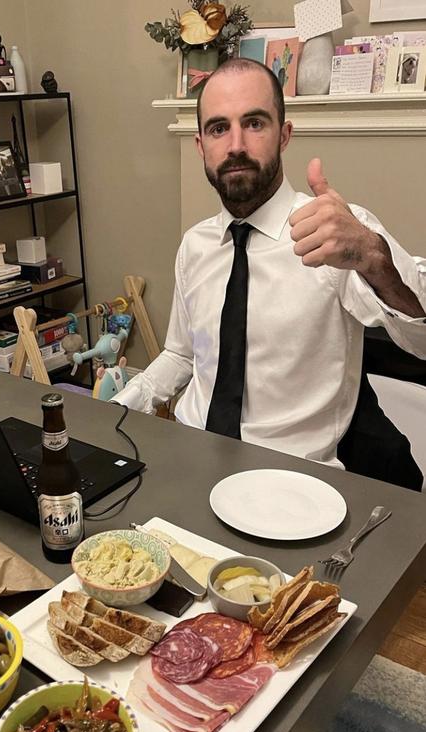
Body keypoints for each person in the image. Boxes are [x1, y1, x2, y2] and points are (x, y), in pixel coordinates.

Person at [114, 58, 426, 488]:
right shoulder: (195, 245)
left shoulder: (339, 235)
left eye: (255, 123)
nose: (236, 144)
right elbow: (183, 355)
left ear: (284, 135)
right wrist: (118, 407)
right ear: (201, 145)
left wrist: (375, 260)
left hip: (294, 480)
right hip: (190, 460)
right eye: (219, 128)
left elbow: (421, 343)